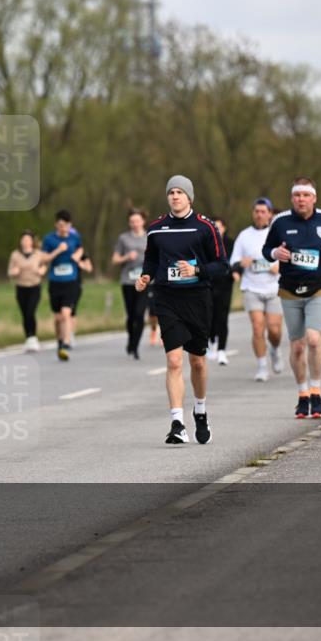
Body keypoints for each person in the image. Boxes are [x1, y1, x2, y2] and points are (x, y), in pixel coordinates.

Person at [136, 175, 228, 445]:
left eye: (179, 192)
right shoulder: (156, 228)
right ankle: (177, 422)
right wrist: (145, 276)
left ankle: (200, 410)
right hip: (167, 298)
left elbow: (222, 266)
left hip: (198, 298)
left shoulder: (205, 227)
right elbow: (151, 259)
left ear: (189, 197)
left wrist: (197, 270)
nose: (174, 196)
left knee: (197, 361)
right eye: (171, 192)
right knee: (174, 360)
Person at [262, 177, 321, 419]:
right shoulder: (281, 221)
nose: (301, 199)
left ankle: (316, 392)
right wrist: (276, 252)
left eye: (306, 195)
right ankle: (302, 394)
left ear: (314, 198)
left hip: (319, 287)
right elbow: (267, 250)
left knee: (314, 339)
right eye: (297, 195)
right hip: (290, 289)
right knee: (297, 346)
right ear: (292, 198)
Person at [229, 197, 284, 382]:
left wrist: (279, 266)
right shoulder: (244, 235)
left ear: (270, 214)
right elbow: (233, 262)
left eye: (263, 211)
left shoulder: (278, 234)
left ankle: (275, 349)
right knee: (258, 327)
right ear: (253, 214)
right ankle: (261, 367)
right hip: (251, 287)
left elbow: (290, 258)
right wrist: (241, 263)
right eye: (256, 211)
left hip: (274, 288)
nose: (259, 215)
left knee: (274, 330)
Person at [42, 210, 84, 361]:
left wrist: (78, 256)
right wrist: (58, 251)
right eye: (60, 225)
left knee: (66, 313)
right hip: (55, 282)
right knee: (58, 317)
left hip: (71, 281)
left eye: (65, 225)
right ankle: (60, 340)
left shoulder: (75, 238)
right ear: (56, 225)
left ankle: (65, 344)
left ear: (69, 225)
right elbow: (44, 258)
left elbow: (80, 248)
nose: (62, 228)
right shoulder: (49, 239)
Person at [112, 209, 149, 359]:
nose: (135, 224)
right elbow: (114, 260)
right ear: (129, 222)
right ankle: (130, 340)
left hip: (146, 281)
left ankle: (135, 346)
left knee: (140, 314)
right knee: (131, 315)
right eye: (132, 221)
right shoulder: (123, 239)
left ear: (143, 221)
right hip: (128, 281)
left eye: (137, 221)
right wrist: (127, 256)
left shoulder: (150, 237)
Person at [7, 230, 47, 352]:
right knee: (24, 314)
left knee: (30, 311)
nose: (25, 242)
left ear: (32, 241)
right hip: (21, 287)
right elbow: (10, 271)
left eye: (28, 239)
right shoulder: (15, 255)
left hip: (34, 286)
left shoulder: (38, 254)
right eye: (23, 239)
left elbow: (44, 266)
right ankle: (28, 338)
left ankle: (33, 337)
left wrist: (41, 271)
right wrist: (14, 272)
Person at [207, 217, 236, 365]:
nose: (217, 230)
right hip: (209, 283)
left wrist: (237, 271)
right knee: (210, 315)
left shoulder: (231, 243)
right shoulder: (206, 243)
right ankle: (211, 342)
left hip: (225, 283)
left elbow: (237, 260)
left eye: (219, 227)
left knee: (222, 317)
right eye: (214, 227)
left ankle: (222, 351)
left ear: (224, 228)